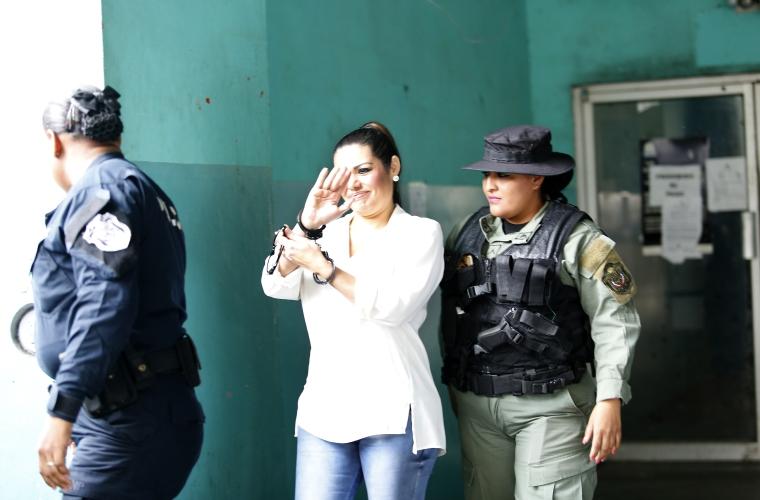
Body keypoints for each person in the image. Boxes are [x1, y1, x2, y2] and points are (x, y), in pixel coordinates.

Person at [440, 125, 640, 500]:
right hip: (478, 407)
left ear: (536, 179)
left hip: (553, 406)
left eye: (504, 175)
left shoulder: (578, 238)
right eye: (487, 174)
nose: (490, 185)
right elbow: (450, 314)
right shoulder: (466, 232)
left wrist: (609, 398)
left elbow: (615, 321)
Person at [33, 85, 204, 499]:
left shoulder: (104, 192)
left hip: (129, 422)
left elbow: (103, 305)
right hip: (134, 412)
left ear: (55, 141)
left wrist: (63, 411)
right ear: (116, 136)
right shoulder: (138, 188)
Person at [261, 122, 445, 500]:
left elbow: (393, 306)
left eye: (364, 170)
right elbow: (275, 284)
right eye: (345, 174)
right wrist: (307, 225)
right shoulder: (324, 233)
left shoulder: (420, 233)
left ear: (393, 167)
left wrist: (325, 268)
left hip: (393, 409)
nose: (354, 184)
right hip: (324, 409)